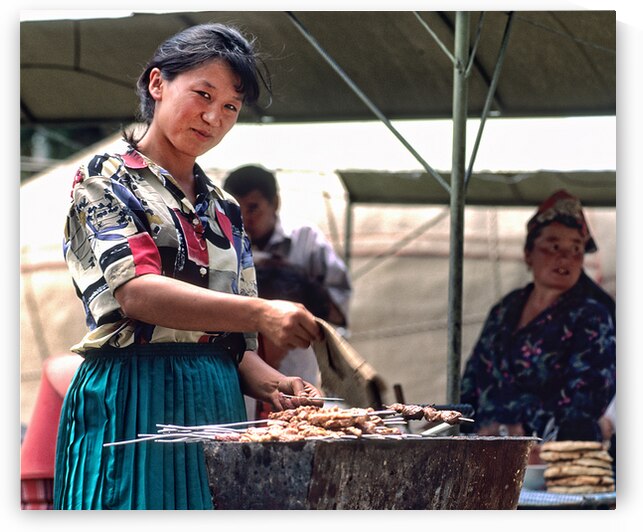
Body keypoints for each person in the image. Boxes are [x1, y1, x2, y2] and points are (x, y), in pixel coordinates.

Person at [54, 23, 324, 510]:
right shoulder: (105, 179)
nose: (212, 116)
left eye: (230, 108)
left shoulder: (226, 208)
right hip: (134, 398)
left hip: (217, 405)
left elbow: (232, 346)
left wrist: (277, 384)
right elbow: (137, 291)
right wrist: (262, 314)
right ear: (157, 84)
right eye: (203, 93)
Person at [460, 190, 616, 450]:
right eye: (554, 245)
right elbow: (472, 378)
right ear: (528, 253)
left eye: (576, 248)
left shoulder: (592, 316)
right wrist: (464, 431)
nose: (565, 257)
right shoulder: (505, 309)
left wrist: (519, 430)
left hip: (546, 457)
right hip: (483, 452)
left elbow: (587, 403)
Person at [223, 165, 352, 406]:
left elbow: (338, 309)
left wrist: (299, 284)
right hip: (241, 367)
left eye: (253, 208)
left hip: (298, 361)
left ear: (275, 203)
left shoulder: (306, 240)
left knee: (297, 417)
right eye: (236, 210)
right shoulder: (223, 244)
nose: (245, 219)